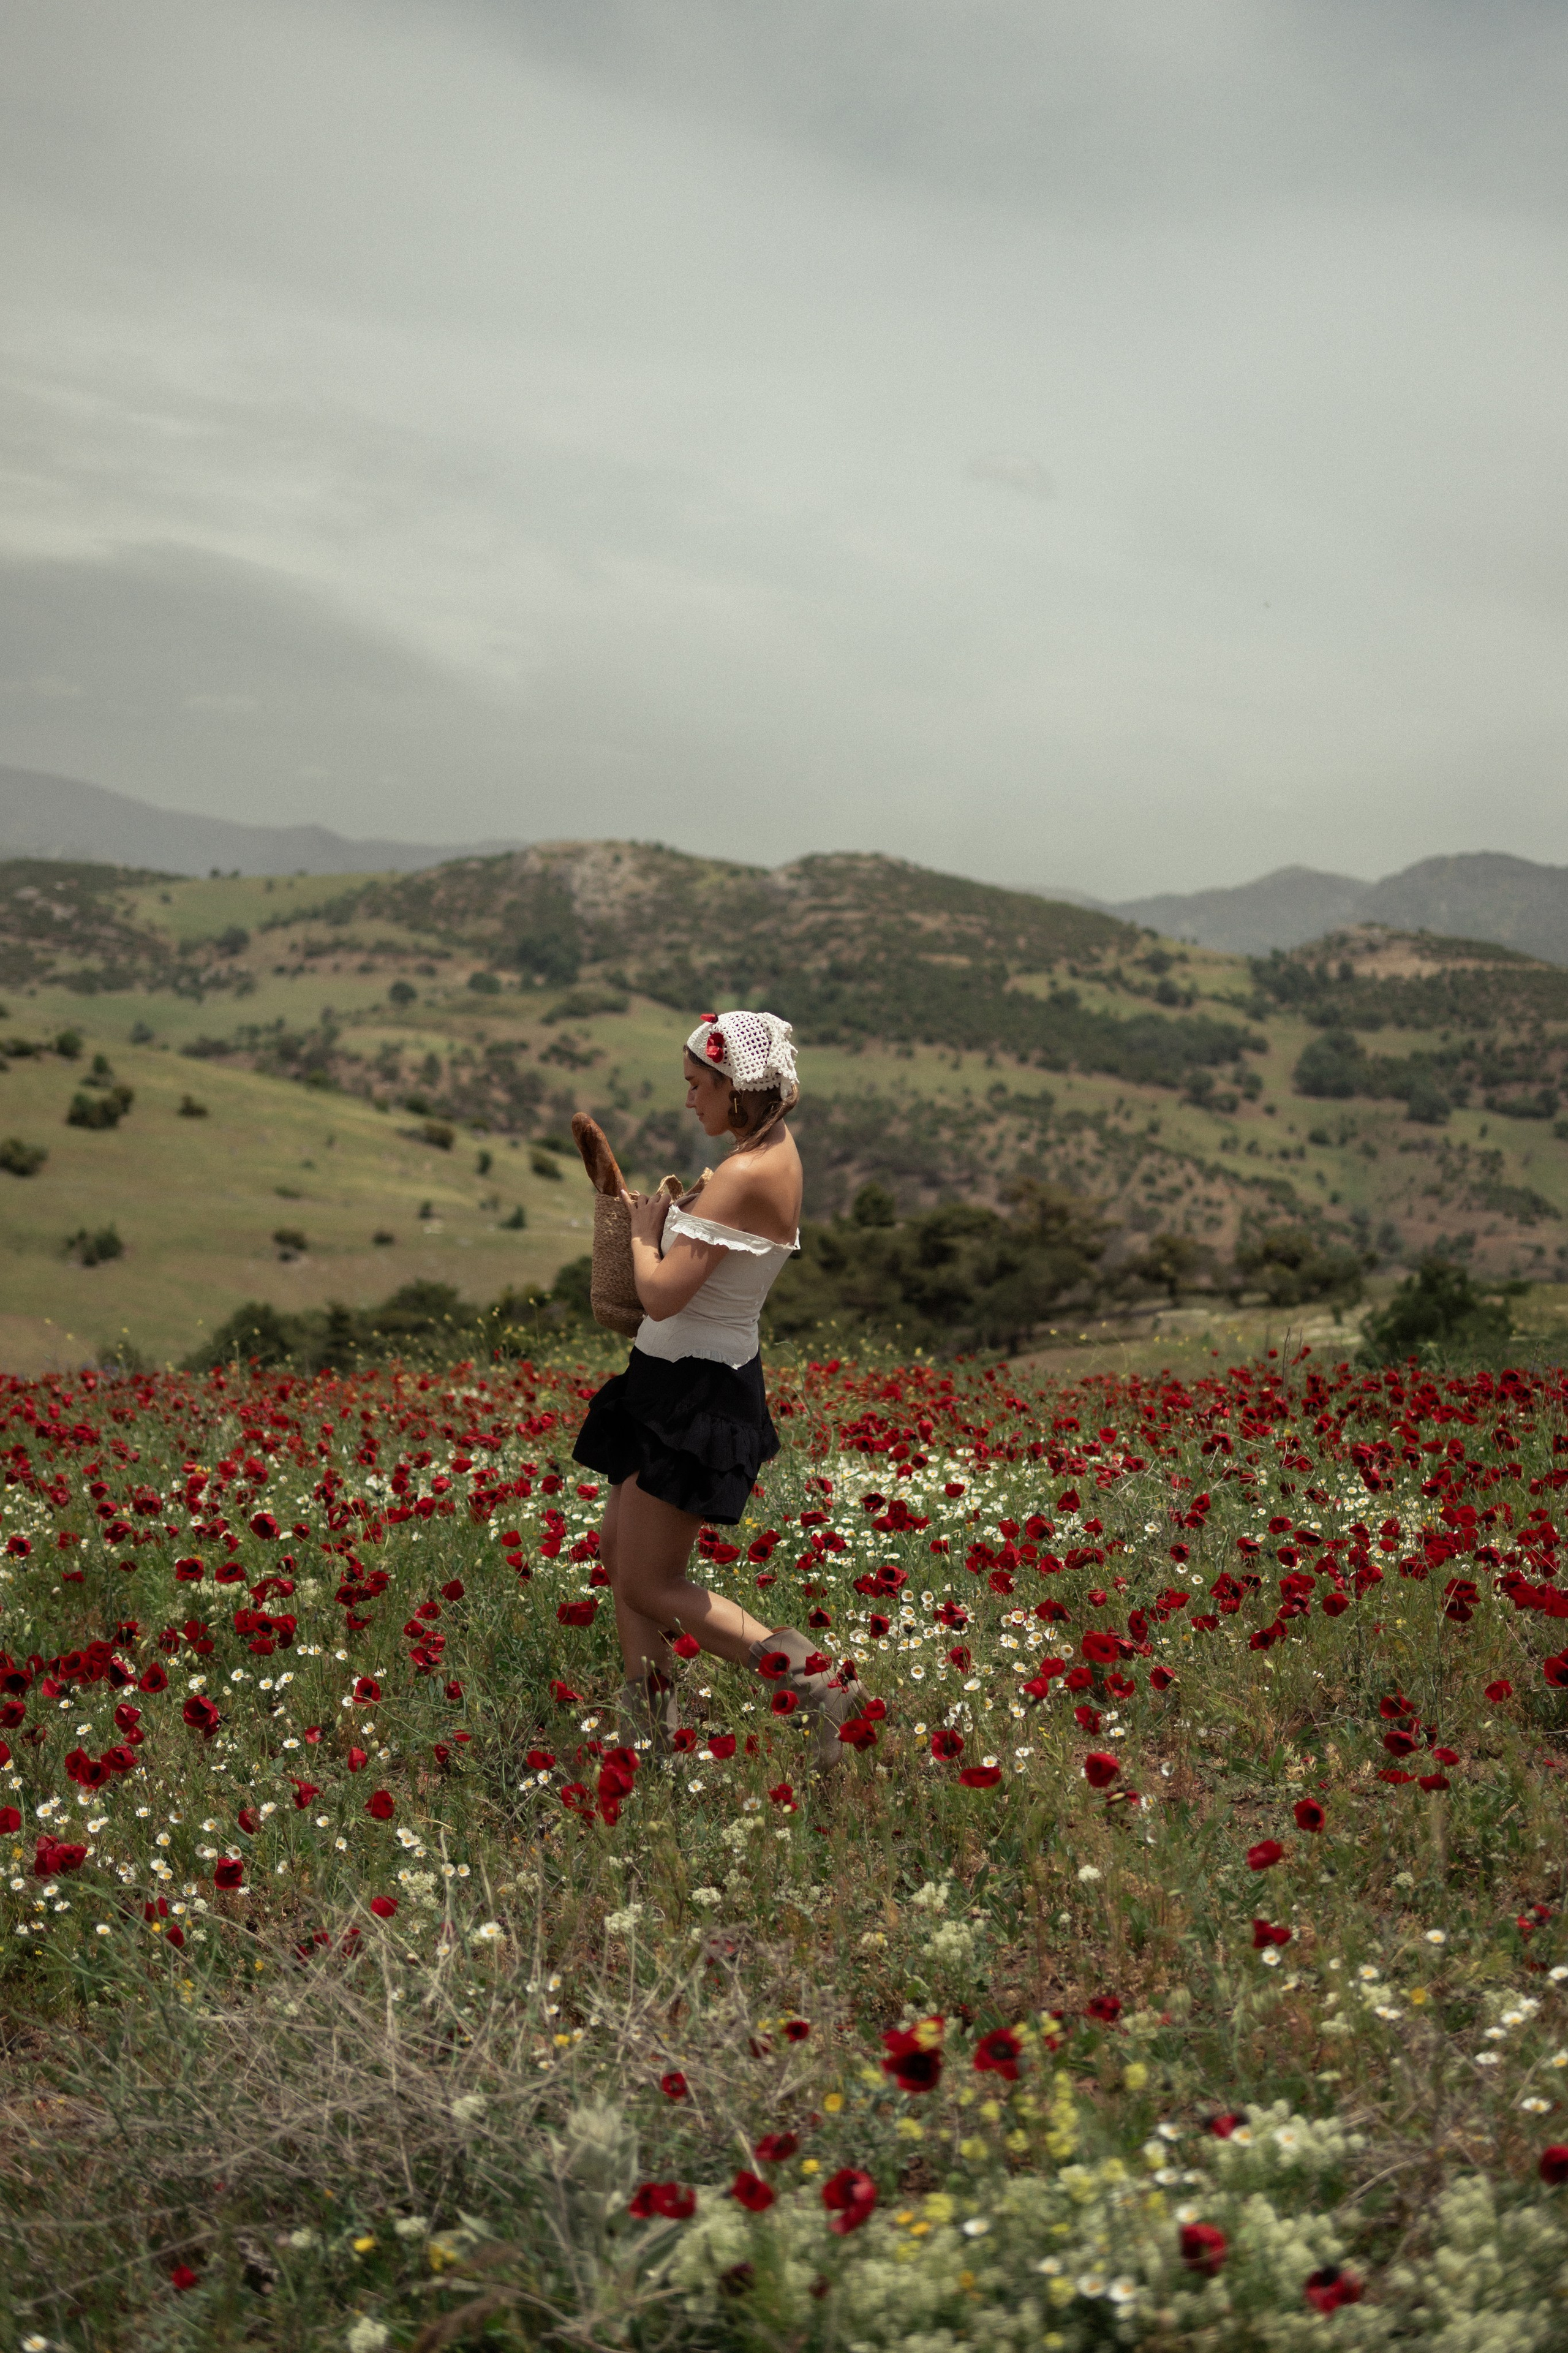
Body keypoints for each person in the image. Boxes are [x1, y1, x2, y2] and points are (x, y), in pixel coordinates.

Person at [572, 1010, 862, 1764]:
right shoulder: (761, 1153)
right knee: (619, 1553)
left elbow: (664, 1294)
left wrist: (642, 1232)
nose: (688, 1100)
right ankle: (652, 1726)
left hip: (695, 1395)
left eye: (698, 1086)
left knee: (651, 1580)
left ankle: (811, 1677)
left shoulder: (744, 1175)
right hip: (670, 1381)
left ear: (738, 1089)